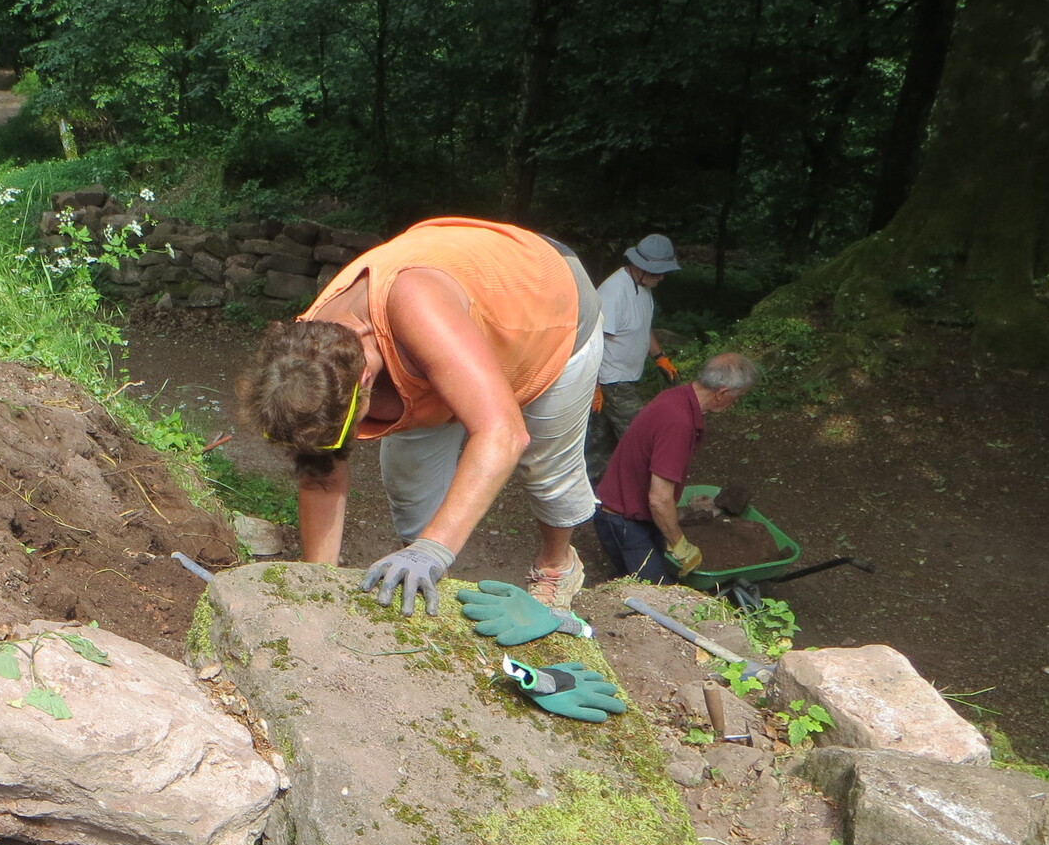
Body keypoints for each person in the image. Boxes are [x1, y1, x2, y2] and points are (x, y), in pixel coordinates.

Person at [238, 216, 602, 618]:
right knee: (410, 478)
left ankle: (556, 567)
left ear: (364, 380)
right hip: (440, 332)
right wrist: (319, 587)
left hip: (546, 302)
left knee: (545, 468)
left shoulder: (417, 308)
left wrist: (433, 549)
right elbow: (320, 474)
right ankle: (424, 574)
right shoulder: (309, 353)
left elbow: (503, 433)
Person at [592, 352, 758, 583]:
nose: (736, 402)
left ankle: (625, 577)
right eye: (737, 397)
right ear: (722, 393)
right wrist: (680, 545)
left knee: (641, 576)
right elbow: (659, 499)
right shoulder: (678, 422)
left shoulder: (677, 396)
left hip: (628, 510)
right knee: (658, 593)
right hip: (622, 520)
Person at [586, 233, 680, 482]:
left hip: (626, 377)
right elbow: (594, 341)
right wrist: (595, 385)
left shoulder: (644, 288)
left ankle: (595, 487)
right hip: (612, 380)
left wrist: (660, 357)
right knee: (640, 433)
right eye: (657, 271)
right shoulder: (613, 292)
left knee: (601, 440)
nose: (661, 277)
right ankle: (644, 488)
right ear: (639, 265)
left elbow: (644, 327)